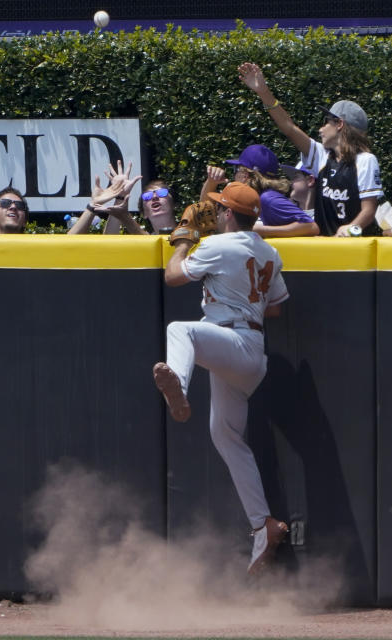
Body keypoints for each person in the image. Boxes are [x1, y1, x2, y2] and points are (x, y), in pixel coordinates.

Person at [152, 181, 291, 575]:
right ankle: (263, 526)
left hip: (232, 341)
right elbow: (278, 308)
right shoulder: (270, 251)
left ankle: (178, 383)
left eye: (220, 208)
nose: (216, 212)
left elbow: (173, 276)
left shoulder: (217, 246)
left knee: (182, 330)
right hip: (251, 351)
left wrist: (183, 239)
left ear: (229, 214)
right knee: (226, 436)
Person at [238, 62, 383, 237]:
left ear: (339, 124)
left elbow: (369, 209)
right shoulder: (322, 155)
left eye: (326, 122)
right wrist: (263, 92)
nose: (321, 129)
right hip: (321, 246)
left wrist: (351, 230)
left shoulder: (365, 160)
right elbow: (289, 128)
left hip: (354, 250)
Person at [201, 144, 318, 238]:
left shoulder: (268, 198)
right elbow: (204, 214)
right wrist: (211, 182)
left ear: (245, 175)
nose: (234, 174)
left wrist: (259, 230)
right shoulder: (244, 198)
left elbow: (310, 226)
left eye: (236, 169)